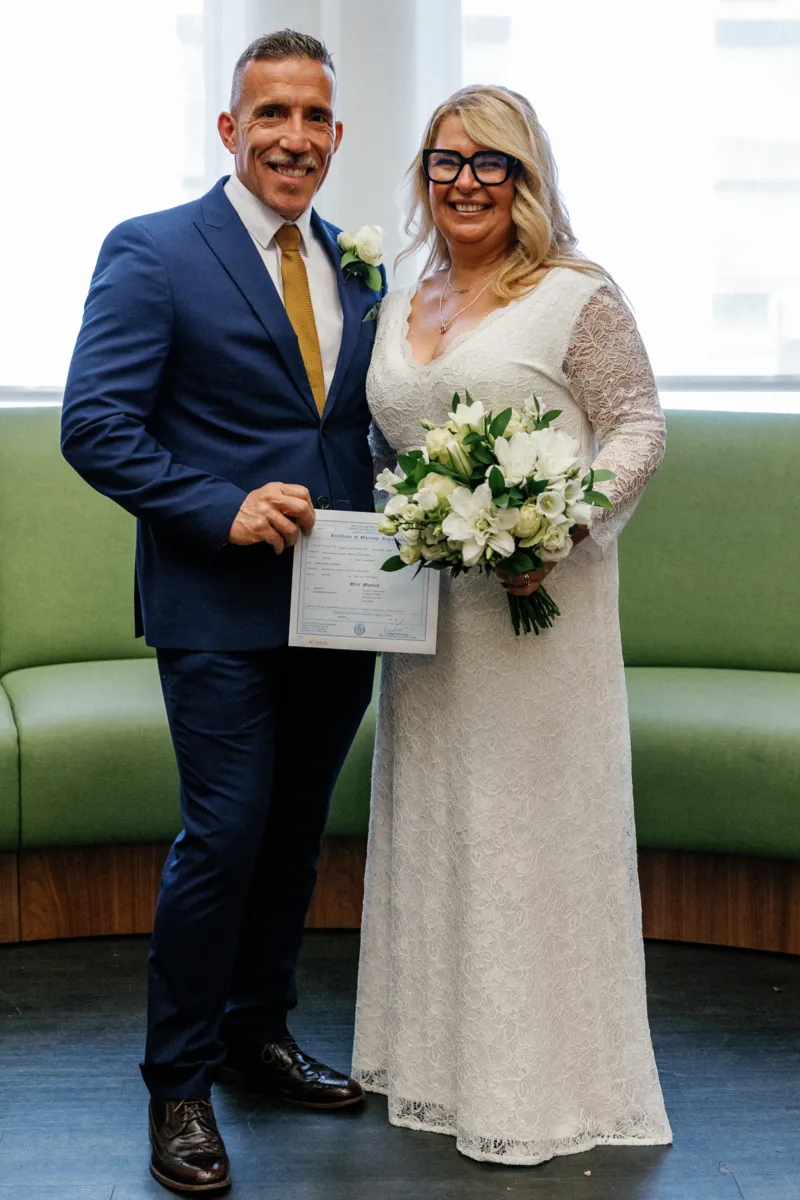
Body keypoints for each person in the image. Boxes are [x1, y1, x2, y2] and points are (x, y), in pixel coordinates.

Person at [61, 30, 382, 1194]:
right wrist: (221, 506)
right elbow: (93, 426)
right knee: (226, 835)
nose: (292, 138)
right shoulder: (153, 251)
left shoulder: (358, 261)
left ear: (336, 136)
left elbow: (353, 424)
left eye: (313, 119)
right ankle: (180, 1085)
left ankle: (257, 1036)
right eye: (271, 116)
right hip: (214, 603)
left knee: (295, 838)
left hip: (348, 605)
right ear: (229, 129)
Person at [353, 84, 673, 1166]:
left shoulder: (574, 294)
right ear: (424, 177)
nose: (464, 184)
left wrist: (561, 521)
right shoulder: (407, 294)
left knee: (526, 834)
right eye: (445, 163)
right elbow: (388, 446)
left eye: (491, 164)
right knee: (440, 819)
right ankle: (436, 1063)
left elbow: (635, 426)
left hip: (540, 611)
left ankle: (543, 1084)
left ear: (526, 179)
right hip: (430, 618)